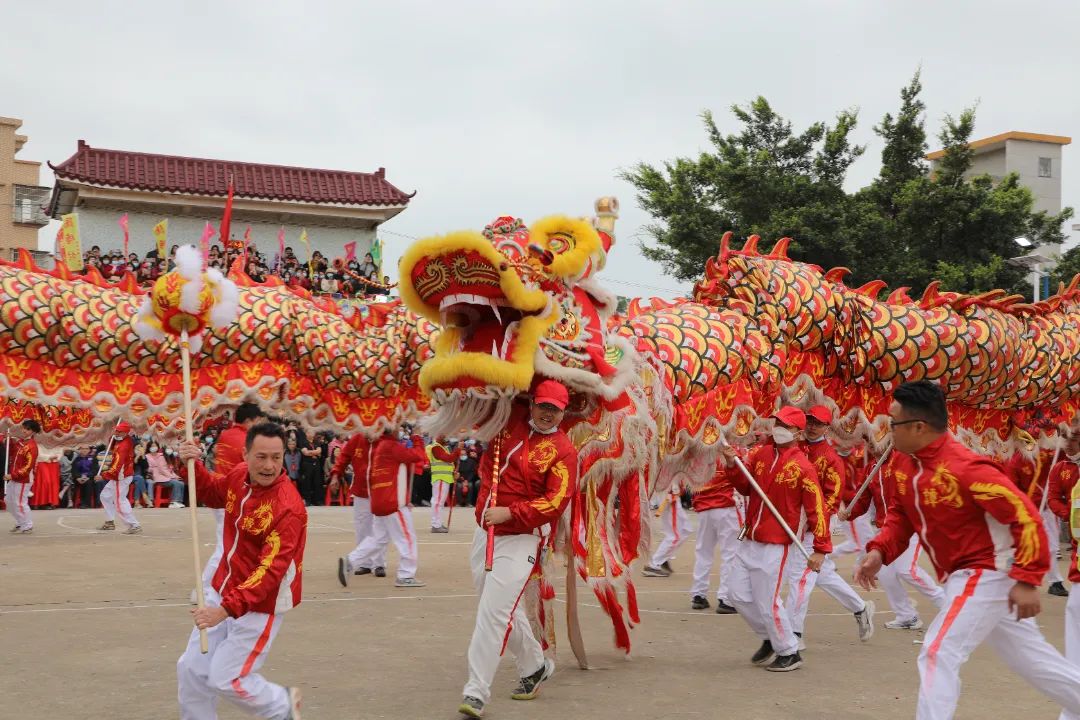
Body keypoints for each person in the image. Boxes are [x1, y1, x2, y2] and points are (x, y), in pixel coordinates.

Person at [855, 380, 1080, 719]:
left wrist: (1027, 578)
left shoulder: (966, 468)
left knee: (938, 651)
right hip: (967, 576)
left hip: (986, 571)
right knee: (1035, 662)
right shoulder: (905, 463)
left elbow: (1026, 516)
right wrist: (880, 551)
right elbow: (902, 514)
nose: (886, 430)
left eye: (893, 422)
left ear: (919, 426)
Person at [458, 380, 578, 719]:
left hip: (522, 537)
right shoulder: (508, 418)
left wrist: (510, 513)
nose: (547, 414)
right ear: (532, 403)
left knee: (493, 613)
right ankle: (535, 665)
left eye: (554, 409)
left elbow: (555, 502)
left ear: (563, 413)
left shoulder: (563, 451)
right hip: (485, 532)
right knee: (499, 607)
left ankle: (476, 691)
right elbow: (479, 415)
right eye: (543, 406)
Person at [176, 422, 305, 720]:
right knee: (191, 669)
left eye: (276, 457)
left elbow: (269, 573)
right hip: (223, 587)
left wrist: (224, 611)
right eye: (261, 456)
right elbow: (211, 493)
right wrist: (191, 464)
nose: (269, 465)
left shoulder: (288, 508)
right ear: (245, 455)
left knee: (227, 678)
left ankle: (282, 704)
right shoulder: (238, 475)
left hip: (260, 604)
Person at [722, 406, 831, 673]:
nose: (779, 428)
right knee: (736, 594)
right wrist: (731, 465)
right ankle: (772, 636)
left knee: (767, 601)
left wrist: (820, 548)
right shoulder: (761, 454)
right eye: (777, 423)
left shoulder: (803, 467)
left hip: (777, 543)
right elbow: (745, 486)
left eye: (785, 425)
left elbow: (817, 508)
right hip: (750, 538)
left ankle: (789, 651)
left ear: (797, 432)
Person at [785, 405, 875, 648]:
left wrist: (814, 528)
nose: (813, 426)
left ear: (827, 427)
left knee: (800, 577)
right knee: (821, 574)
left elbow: (830, 502)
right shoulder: (794, 447)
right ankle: (860, 608)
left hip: (815, 525)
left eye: (819, 423)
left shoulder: (831, 459)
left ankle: (793, 635)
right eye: (810, 421)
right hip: (792, 522)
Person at [342, 427, 428, 588]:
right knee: (407, 538)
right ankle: (406, 575)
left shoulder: (381, 446)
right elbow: (418, 456)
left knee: (378, 539)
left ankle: (351, 561)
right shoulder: (391, 446)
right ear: (392, 430)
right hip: (393, 502)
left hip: (381, 501)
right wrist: (417, 437)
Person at [200, 404, 266, 599]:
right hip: (233, 496)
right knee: (225, 547)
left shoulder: (226, 434)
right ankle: (204, 588)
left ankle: (220, 585)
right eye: (258, 421)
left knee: (230, 544)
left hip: (222, 492)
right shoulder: (247, 440)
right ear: (250, 420)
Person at [332, 432, 388, 581]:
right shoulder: (356, 439)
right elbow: (343, 457)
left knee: (380, 528)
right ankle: (364, 563)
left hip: (380, 489)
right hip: (361, 490)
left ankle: (379, 564)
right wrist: (336, 475)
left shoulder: (386, 440)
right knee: (362, 527)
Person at [689, 458, 741, 613]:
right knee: (730, 553)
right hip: (726, 505)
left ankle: (698, 594)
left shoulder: (700, 454)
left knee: (703, 552)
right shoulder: (730, 452)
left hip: (704, 507)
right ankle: (726, 599)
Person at [98, 421, 142, 534]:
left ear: (125, 433)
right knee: (105, 496)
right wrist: (112, 439)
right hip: (120, 475)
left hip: (120, 477)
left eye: (119, 431)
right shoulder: (124, 439)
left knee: (119, 501)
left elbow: (117, 467)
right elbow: (112, 444)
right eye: (116, 430)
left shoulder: (123, 446)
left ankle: (134, 525)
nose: (116, 432)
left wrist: (103, 476)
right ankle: (110, 522)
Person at [642, 483, 691, 577]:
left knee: (686, 529)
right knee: (675, 536)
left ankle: (663, 557)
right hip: (670, 494)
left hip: (672, 493)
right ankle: (654, 564)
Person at [5, 419, 41, 533]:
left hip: (23, 479)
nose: (24, 431)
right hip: (15, 477)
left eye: (27, 429)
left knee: (19, 502)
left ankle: (27, 525)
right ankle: (20, 522)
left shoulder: (32, 447)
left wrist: (13, 475)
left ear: (33, 431)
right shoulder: (20, 442)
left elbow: (28, 467)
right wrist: (9, 440)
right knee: (8, 501)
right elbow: (12, 452)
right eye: (24, 428)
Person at [427, 437, 456, 533]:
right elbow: (449, 458)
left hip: (444, 478)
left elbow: (450, 462)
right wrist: (458, 450)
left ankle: (438, 523)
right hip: (440, 478)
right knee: (437, 502)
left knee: (440, 502)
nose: (446, 437)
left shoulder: (444, 448)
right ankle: (436, 525)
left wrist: (454, 472)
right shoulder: (436, 447)